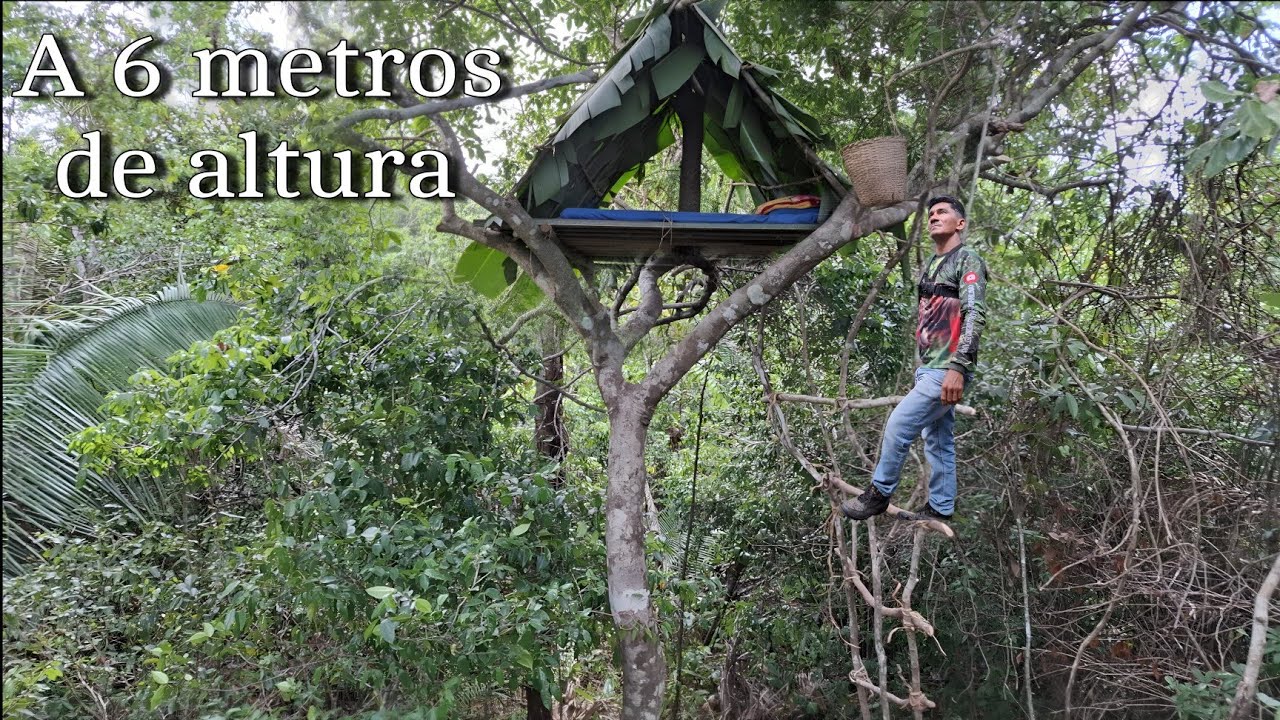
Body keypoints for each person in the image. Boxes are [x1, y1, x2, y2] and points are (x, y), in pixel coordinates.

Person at [841, 195, 987, 523]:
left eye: (942, 212)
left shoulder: (968, 259)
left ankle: (878, 494)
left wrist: (959, 367)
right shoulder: (932, 264)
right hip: (929, 368)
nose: (934, 217)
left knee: (899, 425)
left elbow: (974, 314)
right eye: (931, 213)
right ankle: (941, 507)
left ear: (960, 223)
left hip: (947, 369)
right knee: (937, 439)